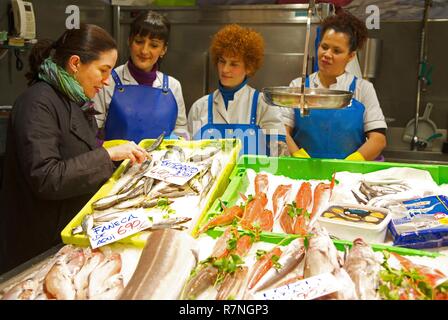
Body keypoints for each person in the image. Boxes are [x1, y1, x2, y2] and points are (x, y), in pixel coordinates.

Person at [0, 25, 150, 274]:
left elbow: (78, 153)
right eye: (103, 70)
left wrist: (113, 155)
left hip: (68, 239)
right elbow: (46, 177)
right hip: (35, 249)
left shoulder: (76, 99)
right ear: (75, 63)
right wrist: (107, 155)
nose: (106, 81)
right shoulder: (37, 103)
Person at [283, 12, 387, 160]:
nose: (327, 54)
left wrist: (352, 163)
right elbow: (283, 132)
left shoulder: (363, 89)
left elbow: (378, 139)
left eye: (336, 51)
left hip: (349, 175)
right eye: (324, 47)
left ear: (351, 56)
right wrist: (298, 156)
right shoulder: (298, 86)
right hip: (305, 173)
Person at [188, 24, 288, 156]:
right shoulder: (200, 107)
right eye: (222, 61)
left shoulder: (264, 105)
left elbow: (278, 157)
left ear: (249, 68)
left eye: (234, 64)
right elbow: (189, 154)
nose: (225, 69)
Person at [93, 11, 188, 143]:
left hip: (161, 163)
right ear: (129, 41)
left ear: (163, 50)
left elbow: (181, 133)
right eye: (139, 42)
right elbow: (93, 133)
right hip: (115, 163)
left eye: (154, 45)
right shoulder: (107, 82)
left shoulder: (173, 86)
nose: (144, 51)